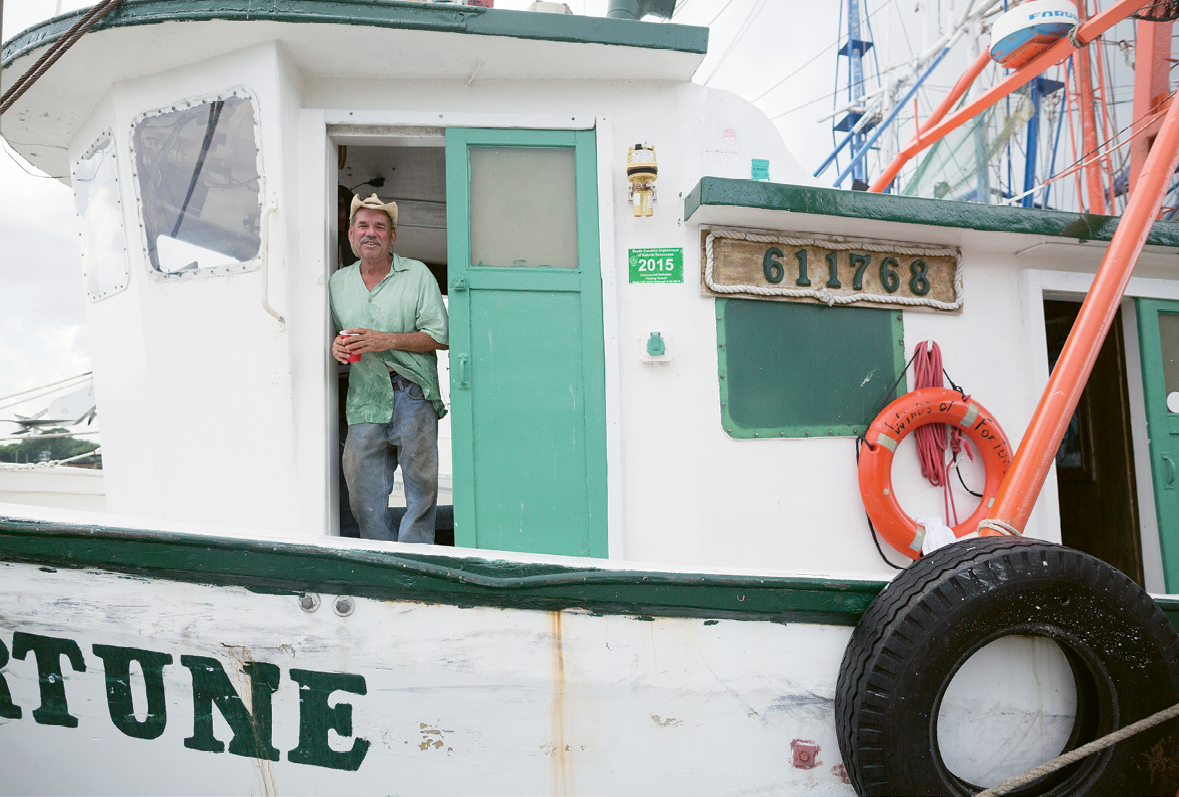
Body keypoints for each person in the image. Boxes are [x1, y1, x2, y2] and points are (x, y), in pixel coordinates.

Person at [330, 194, 449, 543]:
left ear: (392, 237)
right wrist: (337, 348)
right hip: (365, 397)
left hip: (412, 392)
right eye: (363, 226)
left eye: (380, 227)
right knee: (362, 495)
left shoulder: (418, 275)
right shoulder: (338, 282)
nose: (371, 233)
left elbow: (440, 337)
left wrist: (386, 340)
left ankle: (415, 562)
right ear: (351, 235)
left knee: (421, 490)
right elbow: (337, 339)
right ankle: (381, 559)